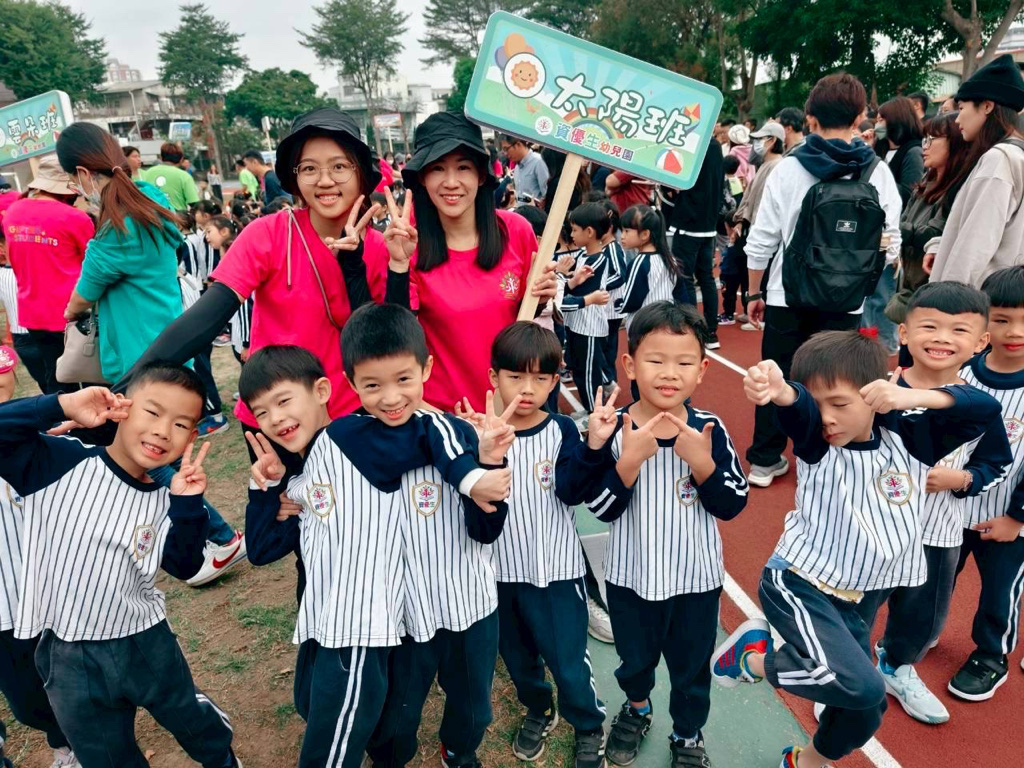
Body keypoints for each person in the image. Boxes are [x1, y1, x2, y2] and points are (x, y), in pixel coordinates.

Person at [716, 329, 1002, 768]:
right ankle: (751, 660)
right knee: (862, 685)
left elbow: (985, 408)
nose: (827, 418)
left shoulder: (912, 441)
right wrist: (784, 392)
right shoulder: (817, 443)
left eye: (840, 404)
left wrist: (913, 397)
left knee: (867, 708)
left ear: (876, 395)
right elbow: (800, 408)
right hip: (801, 582)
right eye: (820, 405)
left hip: (856, 599)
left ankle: (804, 762)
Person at [240, 338, 509, 768]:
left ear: (324, 390)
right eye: (261, 412)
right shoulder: (299, 474)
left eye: (283, 401)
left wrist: (478, 458)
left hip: (449, 603)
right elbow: (261, 549)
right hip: (382, 617)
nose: (275, 418)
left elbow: (427, 430)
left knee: (467, 703)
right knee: (363, 712)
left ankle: (459, 751)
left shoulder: (356, 438)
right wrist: (266, 491)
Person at [0, 364, 240, 768]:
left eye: (180, 424)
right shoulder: (57, 462)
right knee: (104, 753)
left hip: (145, 640)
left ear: (191, 437)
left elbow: (184, 566)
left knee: (189, 716)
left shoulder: (168, 498)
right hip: (67, 653)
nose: (163, 431)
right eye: (153, 412)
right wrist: (61, 405)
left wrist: (188, 507)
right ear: (122, 408)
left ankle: (222, 759)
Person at [576, 301, 747, 767]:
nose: (669, 373)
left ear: (702, 370)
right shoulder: (613, 429)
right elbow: (601, 508)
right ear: (630, 364)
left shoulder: (710, 429)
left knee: (691, 669)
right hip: (631, 579)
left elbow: (732, 504)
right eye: (655, 360)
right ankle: (637, 708)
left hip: (696, 581)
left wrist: (704, 464)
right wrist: (628, 463)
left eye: (684, 363)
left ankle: (687, 733)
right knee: (635, 661)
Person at [744, 72, 902, 488]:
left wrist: (755, 290)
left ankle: (765, 459)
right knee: (835, 380)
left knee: (777, 375)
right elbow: (890, 243)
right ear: (860, 116)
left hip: (788, 293)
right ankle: (828, 457)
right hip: (845, 300)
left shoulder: (788, 168)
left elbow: (761, 239)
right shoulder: (877, 172)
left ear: (810, 117)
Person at [876, 282, 1010, 725]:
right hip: (873, 527)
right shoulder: (881, 391)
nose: (942, 339)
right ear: (904, 333)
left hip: (937, 531)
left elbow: (997, 463)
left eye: (958, 331)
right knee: (856, 605)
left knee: (922, 616)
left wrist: (963, 478)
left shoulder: (979, 406)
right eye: (930, 326)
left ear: (980, 342)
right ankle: (845, 679)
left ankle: (896, 666)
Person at [482, 322, 606, 767]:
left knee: (568, 661)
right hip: (498, 574)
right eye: (515, 376)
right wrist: (484, 451)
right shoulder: (480, 435)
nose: (527, 388)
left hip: (555, 572)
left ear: (555, 381)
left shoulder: (562, 431)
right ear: (494, 376)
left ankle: (588, 723)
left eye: (540, 378)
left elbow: (572, 492)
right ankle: (539, 709)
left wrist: (593, 447)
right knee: (518, 658)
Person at [384, 112, 558, 411]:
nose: (451, 182)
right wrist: (398, 266)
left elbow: (522, 319)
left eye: (463, 167)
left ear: (481, 175)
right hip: (445, 416)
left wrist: (540, 298)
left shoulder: (516, 231)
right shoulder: (407, 242)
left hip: (512, 410)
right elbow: (396, 338)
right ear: (422, 177)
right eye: (437, 168)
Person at [0, 346, 78, 768]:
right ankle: (63, 740)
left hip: (44, 589)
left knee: (71, 676)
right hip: (2, 609)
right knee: (26, 699)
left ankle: (82, 739)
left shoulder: (28, 433)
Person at [948, 266, 1024, 701]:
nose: (1015, 332)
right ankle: (921, 629)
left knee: (1000, 591)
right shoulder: (963, 372)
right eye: (1002, 319)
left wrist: (1017, 518)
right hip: (949, 509)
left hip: (1007, 517)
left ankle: (991, 655)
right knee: (933, 579)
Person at [926, 54, 1024, 287]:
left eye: (961, 108)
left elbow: (975, 246)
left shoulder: (999, 159)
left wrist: (947, 299)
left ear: (987, 106)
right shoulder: (1015, 154)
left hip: (976, 297)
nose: (957, 119)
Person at [887, 111, 979, 351]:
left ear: (955, 143)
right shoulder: (926, 182)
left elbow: (936, 234)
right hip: (910, 287)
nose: (924, 147)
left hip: (934, 291)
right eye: (924, 139)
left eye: (932, 139)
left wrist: (890, 227)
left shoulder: (959, 187)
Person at [3, 156, 93, 394]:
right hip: (72, 312)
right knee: (91, 378)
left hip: (32, 312)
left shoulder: (13, 212)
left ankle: (56, 414)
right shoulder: (75, 217)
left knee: (55, 376)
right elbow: (94, 265)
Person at [863, 96, 925, 354]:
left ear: (897, 120)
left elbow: (908, 192)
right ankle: (868, 341)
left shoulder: (912, 151)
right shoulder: (879, 150)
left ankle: (887, 344)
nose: (877, 124)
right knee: (869, 291)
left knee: (882, 288)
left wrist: (880, 184)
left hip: (890, 231)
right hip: (872, 229)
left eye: (882, 119)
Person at [662, 137, 724, 350]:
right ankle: (711, 332)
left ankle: (692, 328)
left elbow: (672, 178)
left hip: (688, 222)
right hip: (709, 223)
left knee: (685, 277)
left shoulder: (691, 142)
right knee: (706, 277)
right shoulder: (715, 146)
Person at [725, 121, 785, 328]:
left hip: (762, 229)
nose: (755, 144)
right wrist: (741, 221)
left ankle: (760, 316)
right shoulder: (765, 166)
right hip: (752, 226)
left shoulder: (777, 166)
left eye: (760, 139)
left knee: (762, 273)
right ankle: (753, 311)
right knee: (748, 269)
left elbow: (762, 204)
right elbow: (750, 198)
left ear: (772, 141)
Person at [561, 202, 615, 412]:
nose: (571, 234)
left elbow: (577, 295)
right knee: (578, 368)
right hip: (576, 324)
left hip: (589, 327)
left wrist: (567, 282)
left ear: (590, 232)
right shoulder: (583, 255)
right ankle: (588, 408)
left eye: (575, 230)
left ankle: (594, 412)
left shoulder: (598, 260)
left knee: (589, 373)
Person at [615, 204, 679, 328]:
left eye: (627, 231)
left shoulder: (638, 263)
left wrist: (617, 304)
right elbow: (680, 293)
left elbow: (631, 301)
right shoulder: (670, 259)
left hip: (643, 325)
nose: (622, 236)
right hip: (667, 323)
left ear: (645, 234)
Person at [140, 142, 199, 212]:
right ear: (181, 159)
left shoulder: (147, 173)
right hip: (176, 216)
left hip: (152, 215)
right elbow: (194, 203)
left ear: (161, 157)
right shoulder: (184, 176)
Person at [501, 134, 550, 204]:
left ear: (518, 144)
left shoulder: (538, 162)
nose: (505, 153)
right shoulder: (517, 168)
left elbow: (547, 195)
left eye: (506, 149)